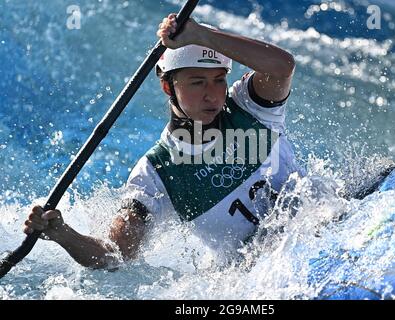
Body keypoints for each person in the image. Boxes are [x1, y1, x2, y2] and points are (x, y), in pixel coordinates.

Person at [23, 13, 299, 269]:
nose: (212, 95)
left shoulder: (249, 107)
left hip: (319, 236)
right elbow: (114, 256)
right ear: (168, 87)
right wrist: (62, 233)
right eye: (197, 82)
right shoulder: (157, 173)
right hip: (258, 275)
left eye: (218, 80)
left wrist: (202, 36)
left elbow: (282, 67)